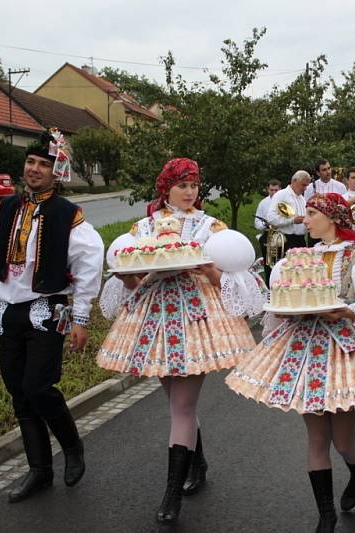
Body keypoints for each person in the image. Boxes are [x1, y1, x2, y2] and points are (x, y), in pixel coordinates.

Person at [226, 193, 355, 533]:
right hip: (306, 348)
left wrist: (349, 310)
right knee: (317, 439)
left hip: (348, 349)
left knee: (343, 441)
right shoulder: (303, 256)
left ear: (332, 217)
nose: (304, 220)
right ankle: (326, 516)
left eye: (311, 213)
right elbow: (285, 298)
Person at [96, 158, 264, 524]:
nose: (190, 192)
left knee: (182, 408)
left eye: (194, 185)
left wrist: (207, 268)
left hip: (198, 321)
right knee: (175, 402)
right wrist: (128, 281)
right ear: (166, 188)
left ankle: (172, 495)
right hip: (154, 320)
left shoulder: (211, 227)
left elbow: (232, 278)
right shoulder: (143, 228)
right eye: (183, 185)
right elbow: (132, 277)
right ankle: (198, 464)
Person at [0, 129, 104, 503]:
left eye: (43, 164)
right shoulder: (5, 208)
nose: (35, 169)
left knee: (39, 387)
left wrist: (81, 320)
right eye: (31, 162)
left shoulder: (69, 215)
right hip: (8, 309)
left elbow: (88, 264)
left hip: (49, 309)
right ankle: (39, 471)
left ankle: (71, 446)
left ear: (57, 172)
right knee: (19, 394)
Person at [269, 170, 311, 250]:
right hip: (285, 240)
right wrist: (292, 220)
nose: (305, 188)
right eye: (303, 185)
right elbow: (271, 218)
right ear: (294, 181)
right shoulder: (281, 194)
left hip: (301, 240)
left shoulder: (302, 198)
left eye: (307, 186)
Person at [255, 179, 282, 283]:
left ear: (280, 189)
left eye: (276, 190)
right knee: (269, 265)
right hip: (268, 234)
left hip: (283, 234)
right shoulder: (263, 203)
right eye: (272, 190)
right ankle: (269, 286)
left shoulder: (285, 202)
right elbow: (257, 221)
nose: (274, 192)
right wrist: (264, 225)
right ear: (268, 190)